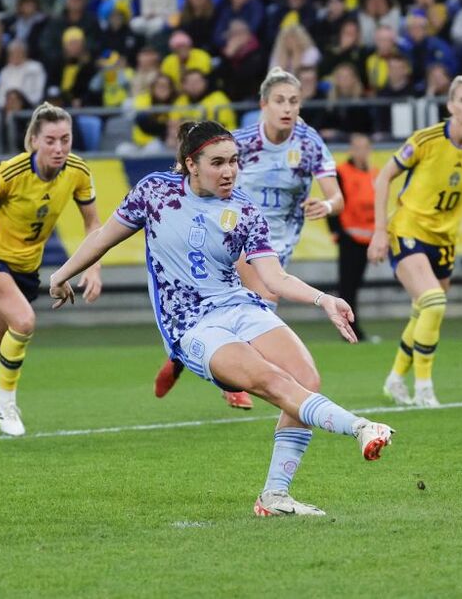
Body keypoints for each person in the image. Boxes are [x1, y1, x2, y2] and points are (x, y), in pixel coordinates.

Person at [49, 120, 394, 516]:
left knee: (307, 378)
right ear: (190, 164)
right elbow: (102, 237)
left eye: (233, 161)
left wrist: (324, 300)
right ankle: (359, 427)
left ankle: (274, 497)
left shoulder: (244, 210)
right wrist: (61, 276)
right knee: (271, 381)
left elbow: (274, 277)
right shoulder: (155, 193)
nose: (229, 170)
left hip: (239, 306)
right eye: (217, 163)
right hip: (192, 323)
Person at [153, 67, 344, 409]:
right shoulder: (240, 143)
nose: (287, 108)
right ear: (263, 105)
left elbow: (337, 197)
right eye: (279, 101)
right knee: (258, 302)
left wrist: (326, 205)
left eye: (294, 101)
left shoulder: (309, 143)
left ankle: (182, 358)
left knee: (261, 306)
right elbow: (195, 168)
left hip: (278, 244)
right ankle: (233, 380)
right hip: (236, 235)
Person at [0, 103, 103, 437]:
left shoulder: (78, 171)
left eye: (65, 138)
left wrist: (94, 268)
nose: (59, 148)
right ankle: (6, 405)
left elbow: (94, 224)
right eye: (50, 140)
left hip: (27, 267)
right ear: (33, 140)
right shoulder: (11, 172)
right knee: (24, 321)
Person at [368, 75, 462, 407]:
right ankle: (424, 388)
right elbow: (384, 177)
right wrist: (380, 231)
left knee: (424, 310)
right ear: (450, 106)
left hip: (445, 239)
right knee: (433, 301)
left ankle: (395, 379)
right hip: (408, 229)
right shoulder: (427, 139)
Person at [328, 133, 377, 341]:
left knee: (355, 285)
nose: (361, 152)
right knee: (347, 286)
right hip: (349, 237)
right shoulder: (341, 172)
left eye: (364, 147)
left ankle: (353, 329)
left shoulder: (375, 174)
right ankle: (349, 331)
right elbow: (333, 201)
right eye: (357, 147)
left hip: (368, 238)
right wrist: (337, 231)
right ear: (351, 150)